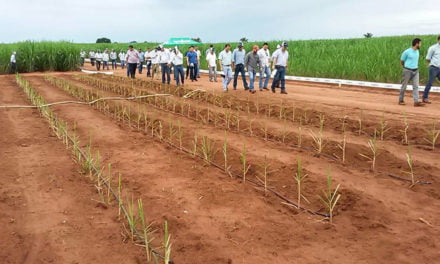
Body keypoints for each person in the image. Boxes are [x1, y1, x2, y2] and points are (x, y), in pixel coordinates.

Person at [399, 38, 424, 106]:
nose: (420, 45)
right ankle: (401, 100)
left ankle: (416, 101)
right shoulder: (407, 52)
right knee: (404, 86)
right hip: (407, 70)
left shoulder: (417, 51)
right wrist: (405, 67)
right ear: (416, 44)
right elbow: (402, 61)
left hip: (416, 70)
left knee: (416, 86)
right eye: (420, 43)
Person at [422, 35, 440, 104]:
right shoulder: (433, 48)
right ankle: (424, 98)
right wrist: (432, 63)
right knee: (430, 83)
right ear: (438, 40)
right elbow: (427, 58)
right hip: (433, 68)